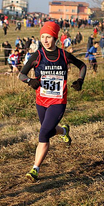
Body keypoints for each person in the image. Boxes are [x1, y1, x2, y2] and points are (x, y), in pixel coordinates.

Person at [18, 21, 86, 182]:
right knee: (48, 130)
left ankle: (35, 169)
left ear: (55, 38)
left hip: (58, 101)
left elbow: (82, 65)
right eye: (42, 37)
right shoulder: (38, 55)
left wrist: (80, 80)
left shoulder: (64, 55)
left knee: (43, 133)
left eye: (48, 37)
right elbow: (21, 75)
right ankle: (63, 131)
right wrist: (30, 81)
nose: (45, 40)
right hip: (41, 101)